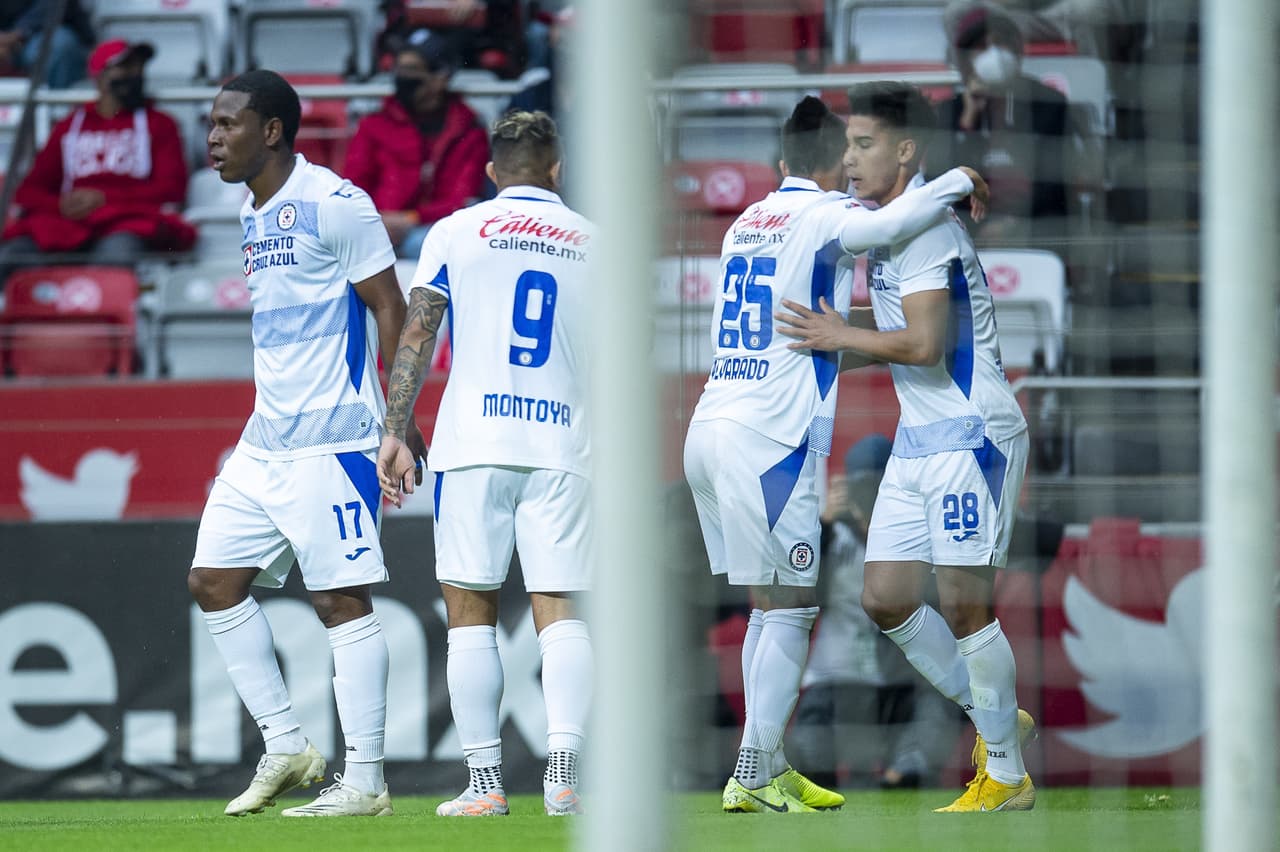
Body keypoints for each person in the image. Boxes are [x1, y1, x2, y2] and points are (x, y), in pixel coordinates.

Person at [682, 94, 987, 814]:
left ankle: (765, 763)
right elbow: (889, 223)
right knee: (791, 610)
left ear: (779, 160)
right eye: (847, 152)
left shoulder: (744, 224)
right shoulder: (823, 213)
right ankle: (754, 772)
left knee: (770, 606)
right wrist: (955, 181)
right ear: (830, 162)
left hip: (711, 421)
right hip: (769, 438)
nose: (854, 163)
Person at [776, 81, 1037, 813]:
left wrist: (839, 336)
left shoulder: (925, 230)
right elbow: (890, 333)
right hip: (921, 437)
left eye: (863, 146)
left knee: (963, 605)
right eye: (848, 145)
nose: (849, 160)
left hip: (971, 432)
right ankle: (998, 722)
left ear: (905, 150)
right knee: (885, 598)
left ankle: (1007, 777)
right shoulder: (890, 224)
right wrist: (822, 345)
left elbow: (924, 343)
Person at [187, 69, 427, 818]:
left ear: (272, 131)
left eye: (228, 124)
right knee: (212, 581)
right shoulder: (249, 209)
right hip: (265, 439)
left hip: (336, 439)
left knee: (338, 599)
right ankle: (287, 745)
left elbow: (389, 307)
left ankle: (367, 781)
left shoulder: (336, 203)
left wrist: (398, 422)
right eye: (211, 124)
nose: (213, 137)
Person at [377, 110, 594, 818]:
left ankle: (485, 785)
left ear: (492, 171)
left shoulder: (454, 231)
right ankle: (563, 777)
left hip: (473, 445)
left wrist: (397, 429)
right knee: (560, 612)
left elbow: (417, 331)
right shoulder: (596, 242)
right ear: (558, 169)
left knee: (470, 613)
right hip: (562, 443)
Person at [791, 433, 967, 789]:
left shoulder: (922, 534)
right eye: (862, 490)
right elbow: (797, 599)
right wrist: (820, 530)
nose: (869, 500)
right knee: (806, 750)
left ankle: (904, 771)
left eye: (878, 488)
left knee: (946, 699)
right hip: (838, 683)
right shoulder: (829, 537)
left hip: (904, 684)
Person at [0, 39, 194, 289]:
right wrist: (62, 203)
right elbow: (30, 190)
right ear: (99, 76)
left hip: (126, 220)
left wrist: (104, 198)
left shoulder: (160, 123)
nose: (135, 74)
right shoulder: (70, 125)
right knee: (13, 254)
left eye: (138, 67)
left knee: (117, 255)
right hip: (67, 223)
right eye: (124, 67)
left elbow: (172, 188)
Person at [929, 1, 1071, 241]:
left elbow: (1055, 183)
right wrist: (968, 121)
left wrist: (1013, 224)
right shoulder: (949, 112)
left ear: (1016, 51)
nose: (993, 54)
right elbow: (940, 189)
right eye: (982, 47)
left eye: (1000, 43)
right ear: (965, 60)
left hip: (1035, 229)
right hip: (966, 234)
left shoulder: (1049, 102)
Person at [345, 28, 489, 260]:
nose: (402, 77)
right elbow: (352, 190)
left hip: (435, 231)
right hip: (375, 229)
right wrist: (377, 221)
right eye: (399, 69)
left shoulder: (469, 129)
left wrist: (411, 219)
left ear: (441, 77)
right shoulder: (374, 125)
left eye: (411, 70)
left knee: (429, 244)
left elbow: (464, 201)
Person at [0, 0, 94, 88]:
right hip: (8, 39)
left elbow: (53, 7)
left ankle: (57, 103)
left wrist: (17, 34)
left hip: (42, 32)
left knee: (58, 44)